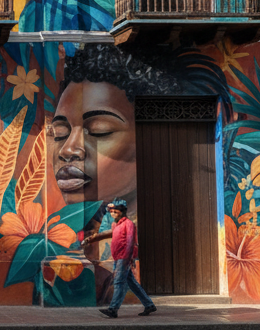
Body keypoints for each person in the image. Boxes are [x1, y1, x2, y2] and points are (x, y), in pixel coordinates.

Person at [52, 44, 180, 305]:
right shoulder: (102, 221)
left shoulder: (135, 222)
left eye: (99, 131)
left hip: (122, 261)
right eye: (59, 134)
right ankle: (143, 303)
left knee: (123, 280)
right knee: (127, 281)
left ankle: (118, 308)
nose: (68, 150)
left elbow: (123, 238)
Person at [84, 199, 157, 318]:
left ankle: (113, 309)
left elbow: (130, 241)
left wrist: (129, 258)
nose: (112, 214)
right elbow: (107, 234)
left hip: (124, 257)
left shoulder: (128, 224)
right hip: (118, 257)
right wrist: (91, 238)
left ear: (122, 212)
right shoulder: (115, 225)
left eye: (115, 212)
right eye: (111, 212)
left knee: (118, 282)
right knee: (132, 283)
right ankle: (149, 305)